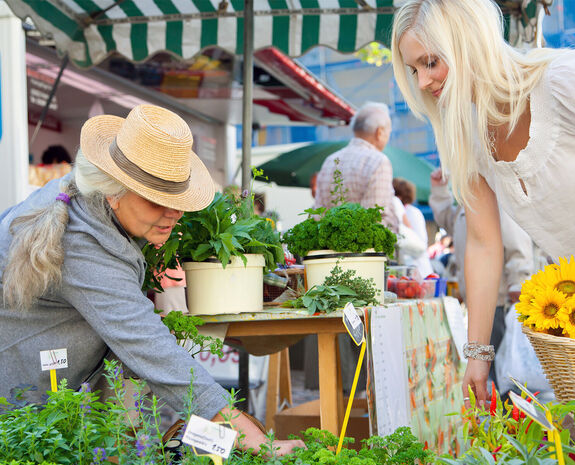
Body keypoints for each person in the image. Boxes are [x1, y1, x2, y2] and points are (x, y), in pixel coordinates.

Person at [0, 104, 303, 455]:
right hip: (16, 404)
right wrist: (256, 442)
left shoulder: (87, 202)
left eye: (177, 199)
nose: (173, 213)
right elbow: (151, 350)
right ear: (114, 190)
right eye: (158, 200)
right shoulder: (80, 245)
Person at [391, 0, 575, 407]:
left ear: (468, 43)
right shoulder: (470, 137)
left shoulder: (566, 79)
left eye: (430, 62)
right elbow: (483, 242)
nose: (422, 82)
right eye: (414, 70)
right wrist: (477, 356)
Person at [429, 167, 535, 388]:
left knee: (502, 366)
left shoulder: (497, 202)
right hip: (479, 298)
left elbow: (518, 245)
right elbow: (446, 220)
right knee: (490, 366)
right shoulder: (465, 205)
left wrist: (519, 281)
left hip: (499, 298)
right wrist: (439, 190)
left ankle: (507, 412)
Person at [314, 102, 398, 233]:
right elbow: (374, 217)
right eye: (389, 132)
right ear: (379, 132)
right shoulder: (378, 161)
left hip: (329, 249)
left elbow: (318, 214)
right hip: (366, 251)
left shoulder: (329, 161)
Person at [392, 177, 433, 277]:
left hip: (418, 269)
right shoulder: (411, 211)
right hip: (412, 268)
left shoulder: (411, 212)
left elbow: (418, 241)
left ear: (399, 196)